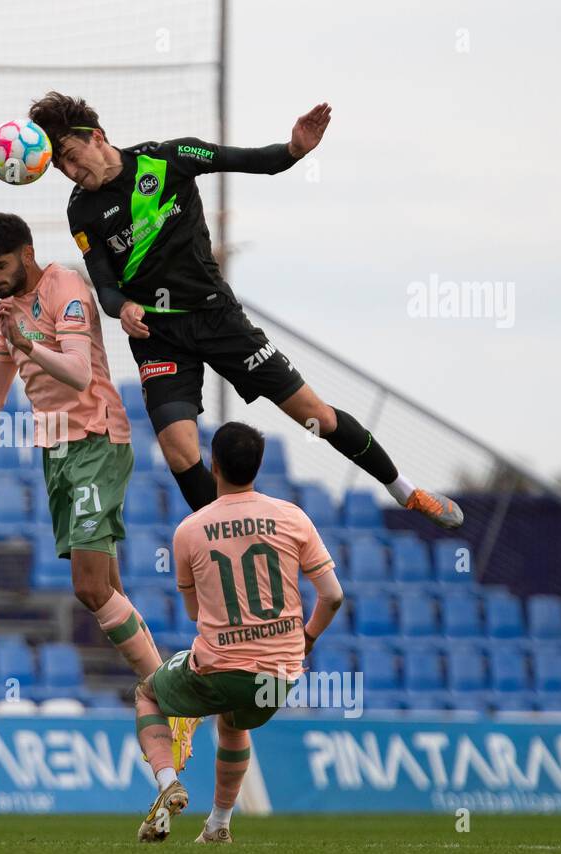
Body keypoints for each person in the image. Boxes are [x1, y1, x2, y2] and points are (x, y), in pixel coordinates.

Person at [28, 91, 463, 528]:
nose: (69, 171)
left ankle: (407, 491)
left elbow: (257, 160)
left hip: (218, 318)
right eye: (59, 167)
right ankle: (226, 537)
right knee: (180, 451)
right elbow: (105, 287)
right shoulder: (82, 211)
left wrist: (294, 150)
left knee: (317, 416)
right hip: (159, 337)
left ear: (97, 136)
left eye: (69, 156)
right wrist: (122, 308)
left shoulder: (171, 157)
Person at [0, 212, 198, 768]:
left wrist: (26, 342)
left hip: (97, 440)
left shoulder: (66, 287)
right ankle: (171, 698)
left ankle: (168, 696)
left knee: (88, 587)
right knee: (107, 586)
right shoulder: (7, 312)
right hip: (57, 453)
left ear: (26, 254)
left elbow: (81, 373)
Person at [131, 421, 344, 844]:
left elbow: (194, 611)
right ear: (259, 466)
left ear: (213, 465)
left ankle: (168, 782)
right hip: (279, 679)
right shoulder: (292, 517)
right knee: (233, 723)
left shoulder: (190, 529)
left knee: (147, 694)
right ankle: (218, 825)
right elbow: (333, 596)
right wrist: (307, 639)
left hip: (218, 668)